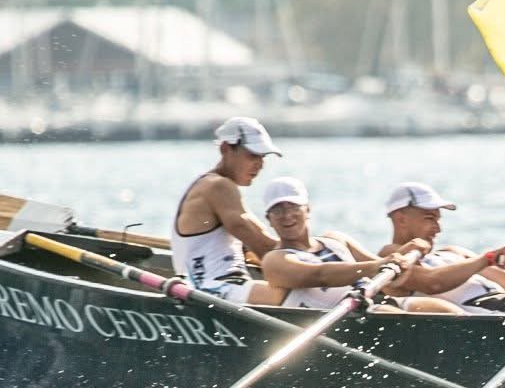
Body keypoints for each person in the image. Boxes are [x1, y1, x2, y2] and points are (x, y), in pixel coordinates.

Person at [256, 176, 451, 312]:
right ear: (268, 219)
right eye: (278, 210)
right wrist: (377, 266)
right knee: (389, 312)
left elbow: (383, 267)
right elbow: (321, 275)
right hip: (341, 319)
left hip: (374, 304)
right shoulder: (275, 260)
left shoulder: (335, 240)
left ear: (308, 209)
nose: (287, 216)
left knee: (444, 310)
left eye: (293, 207)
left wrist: (405, 253)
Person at [379, 181, 505, 314]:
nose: (438, 228)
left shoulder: (453, 252)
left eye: (438, 220)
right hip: (490, 310)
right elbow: (433, 282)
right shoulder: (391, 256)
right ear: (401, 220)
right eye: (429, 218)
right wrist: (488, 258)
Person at [170, 116, 283, 302]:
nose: (260, 165)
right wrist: (315, 268)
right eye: (253, 155)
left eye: (263, 157)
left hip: (208, 287)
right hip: (213, 291)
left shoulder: (208, 184)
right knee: (300, 293)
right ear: (225, 149)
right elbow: (264, 247)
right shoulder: (218, 187)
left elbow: (263, 246)